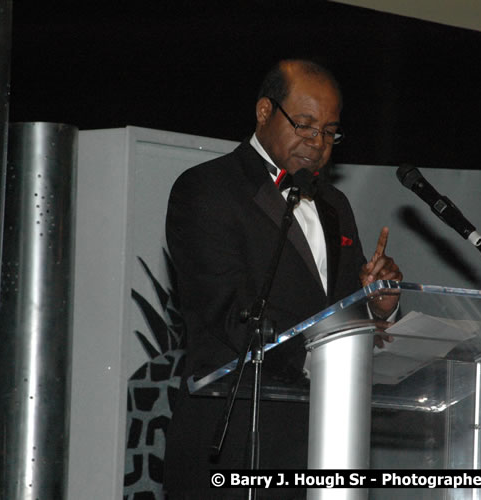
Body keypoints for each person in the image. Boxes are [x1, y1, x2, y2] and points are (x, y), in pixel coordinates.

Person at [163, 59, 402, 499]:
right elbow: (227, 312)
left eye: (330, 132)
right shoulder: (207, 188)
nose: (317, 143)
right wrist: (325, 361)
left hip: (326, 446)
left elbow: (338, 306)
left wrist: (375, 302)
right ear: (263, 112)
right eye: (306, 125)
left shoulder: (334, 204)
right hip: (236, 443)